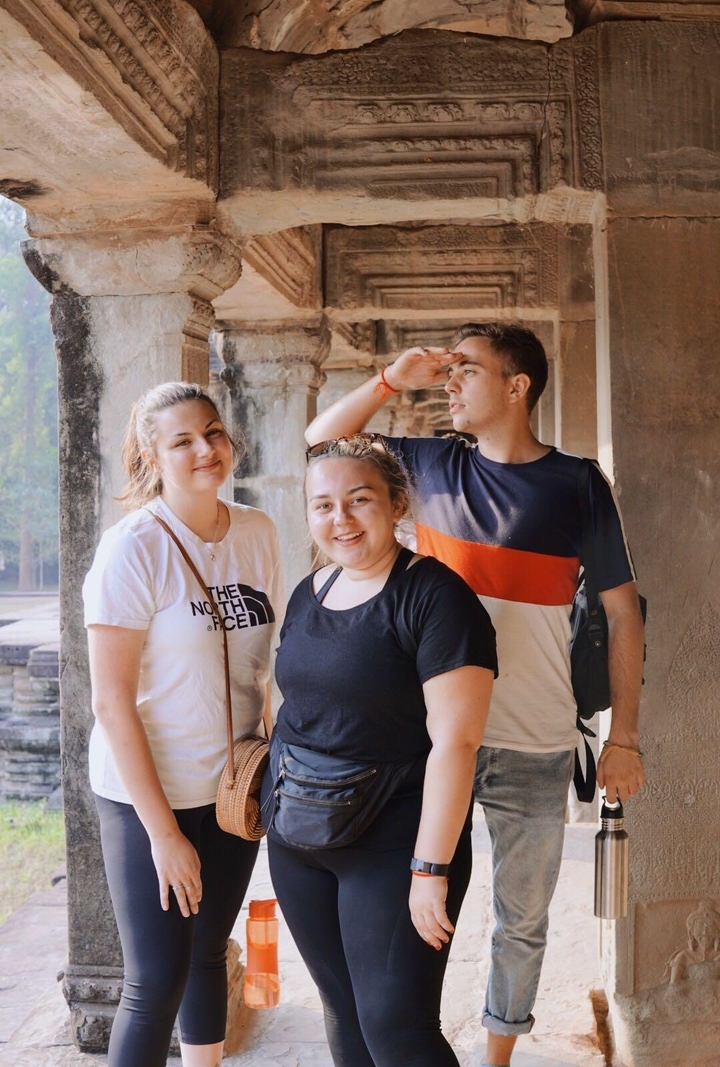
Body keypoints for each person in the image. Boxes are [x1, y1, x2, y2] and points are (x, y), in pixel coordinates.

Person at [304, 323, 646, 1067]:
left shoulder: (576, 482)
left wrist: (624, 735)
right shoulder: (425, 465)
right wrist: (393, 378)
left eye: (466, 370)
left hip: (536, 736)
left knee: (520, 921)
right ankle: (411, 1035)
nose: (449, 382)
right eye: (447, 371)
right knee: (419, 904)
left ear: (517, 385)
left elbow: (623, 610)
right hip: (427, 741)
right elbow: (321, 439)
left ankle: (494, 1057)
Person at [264, 435, 498, 1067]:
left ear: (396, 504)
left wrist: (430, 870)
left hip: (397, 841)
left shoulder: (438, 598)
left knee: (398, 1028)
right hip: (299, 837)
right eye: (322, 505)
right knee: (343, 1011)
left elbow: (458, 740)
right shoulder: (310, 590)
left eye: (358, 500)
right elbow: (296, 708)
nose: (339, 520)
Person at [83, 382, 282, 1067]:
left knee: (208, 952)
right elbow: (111, 702)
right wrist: (162, 832)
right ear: (151, 455)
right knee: (155, 978)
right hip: (150, 792)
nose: (206, 449)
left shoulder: (257, 532)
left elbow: (270, 664)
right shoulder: (132, 548)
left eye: (214, 432)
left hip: (230, 785)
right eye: (182, 440)